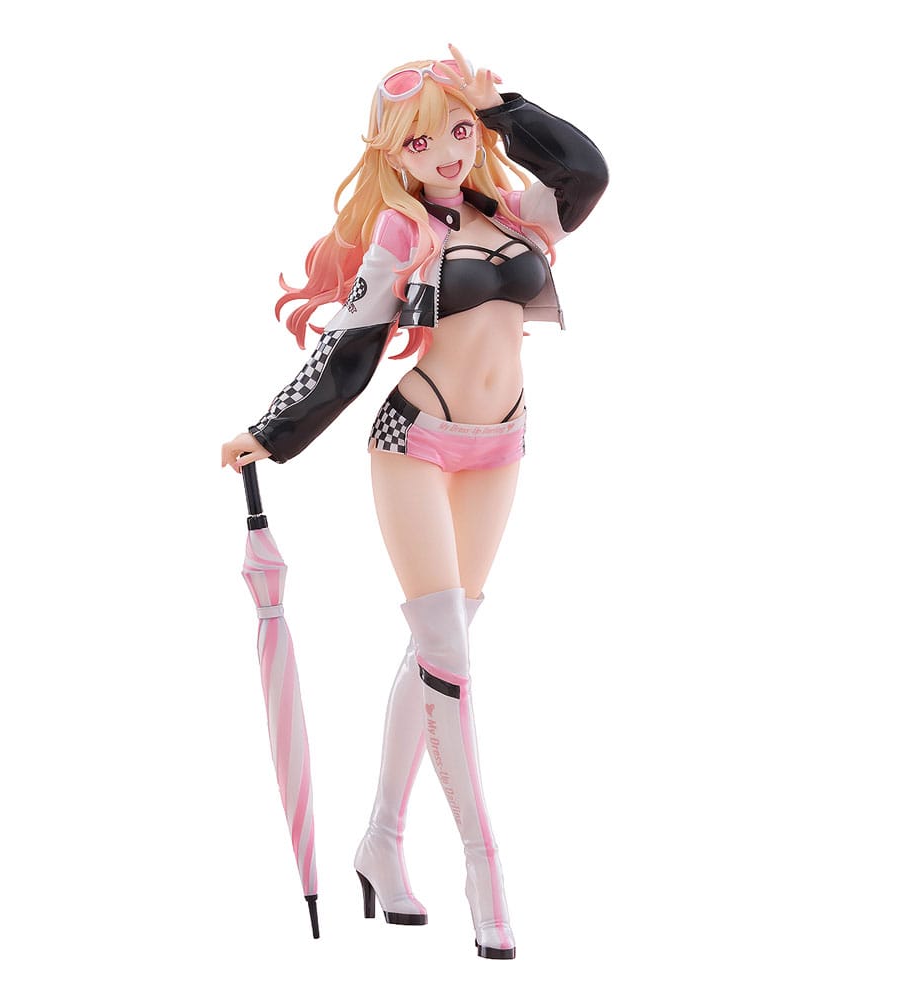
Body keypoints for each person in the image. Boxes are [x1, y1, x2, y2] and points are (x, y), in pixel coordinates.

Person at [221, 45, 608, 959]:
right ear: (393, 152)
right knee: (449, 655)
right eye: (421, 140)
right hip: (415, 440)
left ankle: (380, 844)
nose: (445, 151)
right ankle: (485, 871)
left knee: (444, 647)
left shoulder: (516, 211)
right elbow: (348, 350)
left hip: (502, 442)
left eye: (458, 131)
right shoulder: (401, 233)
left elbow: (586, 170)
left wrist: (502, 105)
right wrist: (272, 431)